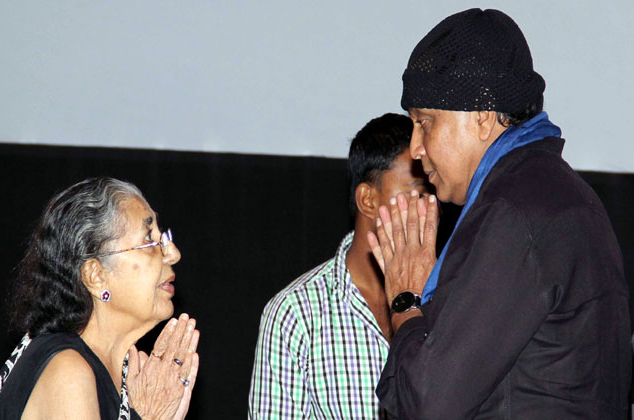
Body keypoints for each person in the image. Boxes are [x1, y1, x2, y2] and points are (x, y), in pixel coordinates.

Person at [367, 8, 631, 420]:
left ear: (482, 117)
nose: (416, 146)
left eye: (425, 122)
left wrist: (405, 300)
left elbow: (429, 403)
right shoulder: (557, 193)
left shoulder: (514, 211)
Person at [248, 113, 431, 419]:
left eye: (431, 194)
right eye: (416, 193)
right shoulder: (296, 314)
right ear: (368, 200)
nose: (428, 208)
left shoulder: (452, 296)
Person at [0, 177, 200, 420]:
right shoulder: (68, 371)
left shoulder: (116, 373)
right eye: (150, 240)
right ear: (96, 276)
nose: (173, 254)